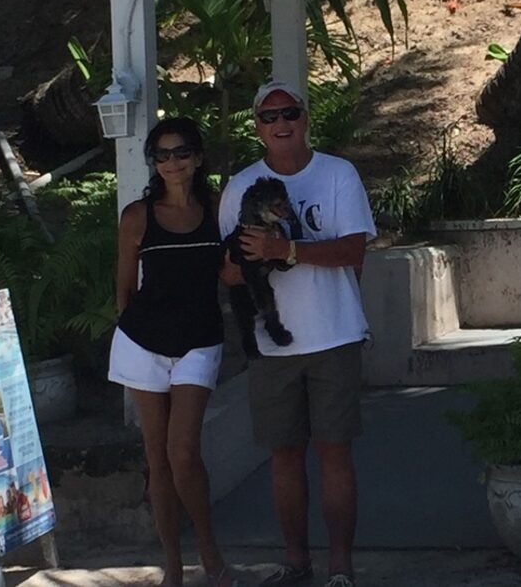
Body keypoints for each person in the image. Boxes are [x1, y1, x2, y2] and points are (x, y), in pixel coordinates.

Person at [219, 81, 376, 587]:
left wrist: (286, 252)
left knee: (335, 451)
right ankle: (295, 562)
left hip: (334, 335)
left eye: (289, 112)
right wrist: (249, 262)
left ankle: (341, 568)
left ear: (305, 118)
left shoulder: (338, 174)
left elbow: (354, 251)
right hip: (271, 344)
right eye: (268, 116)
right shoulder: (241, 185)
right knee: (283, 454)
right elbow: (226, 271)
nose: (280, 123)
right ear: (258, 128)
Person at [108, 116, 238, 587]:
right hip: (143, 343)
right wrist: (132, 329)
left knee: (183, 452)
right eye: (161, 155)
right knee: (157, 457)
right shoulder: (137, 217)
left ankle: (210, 552)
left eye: (181, 152)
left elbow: (234, 270)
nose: (171, 163)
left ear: (197, 157)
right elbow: (124, 288)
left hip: (200, 341)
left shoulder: (220, 210)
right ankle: (173, 567)